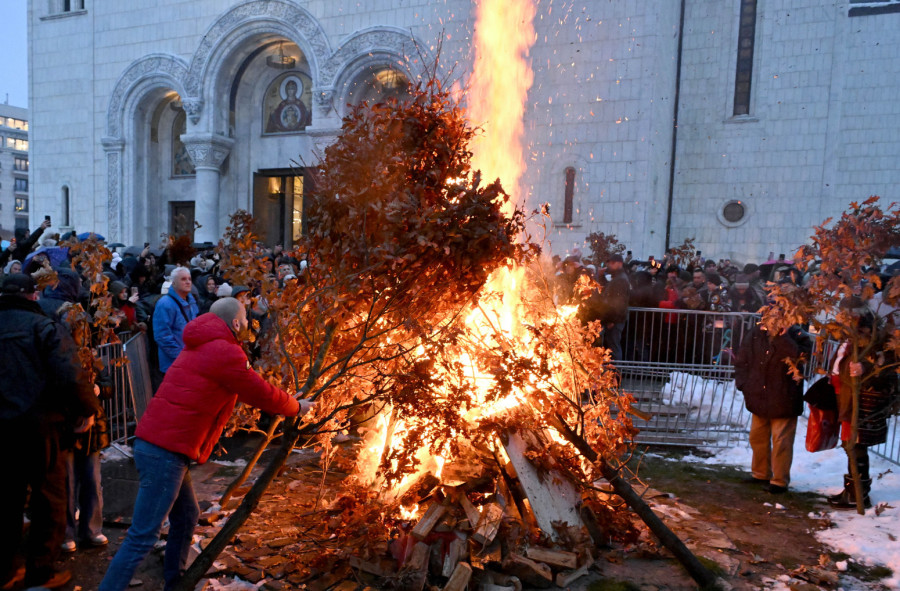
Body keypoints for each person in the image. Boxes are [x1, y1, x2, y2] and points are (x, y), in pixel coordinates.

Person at [98, 298, 309, 591]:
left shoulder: (203, 344)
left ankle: (176, 583)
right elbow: (258, 391)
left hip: (163, 445)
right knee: (143, 536)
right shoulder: (225, 351)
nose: (248, 324)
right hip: (166, 451)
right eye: (245, 319)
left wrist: (288, 401)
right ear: (235, 323)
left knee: (187, 516)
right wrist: (296, 407)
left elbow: (250, 387)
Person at [0, 274, 101, 590]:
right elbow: (69, 373)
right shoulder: (43, 327)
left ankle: (5, 570)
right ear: (33, 296)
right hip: (40, 427)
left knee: (7, 499)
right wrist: (88, 409)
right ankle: (40, 572)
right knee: (49, 499)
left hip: (4, 428)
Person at [827, 300, 895, 509]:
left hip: (862, 400)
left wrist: (865, 368)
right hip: (846, 396)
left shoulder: (873, 335)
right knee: (850, 444)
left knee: (856, 444)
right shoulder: (849, 334)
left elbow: (885, 363)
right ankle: (852, 490)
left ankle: (858, 494)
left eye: (847, 316)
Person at [734, 323, 809, 493]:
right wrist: (744, 384)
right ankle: (761, 473)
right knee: (757, 437)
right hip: (759, 395)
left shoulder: (797, 334)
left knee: (781, 441)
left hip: (784, 396)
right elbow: (742, 359)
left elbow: (800, 356)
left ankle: (779, 481)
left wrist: (784, 337)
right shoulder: (757, 332)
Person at [152, 267, 199, 376]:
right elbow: (162, 336)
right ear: (173, 283)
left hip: (190, 360)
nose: (188, 282)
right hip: (173, 364)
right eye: (183, 279)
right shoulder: (165, 304)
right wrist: (181, 357)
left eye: (189, 279)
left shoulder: (192, 301)